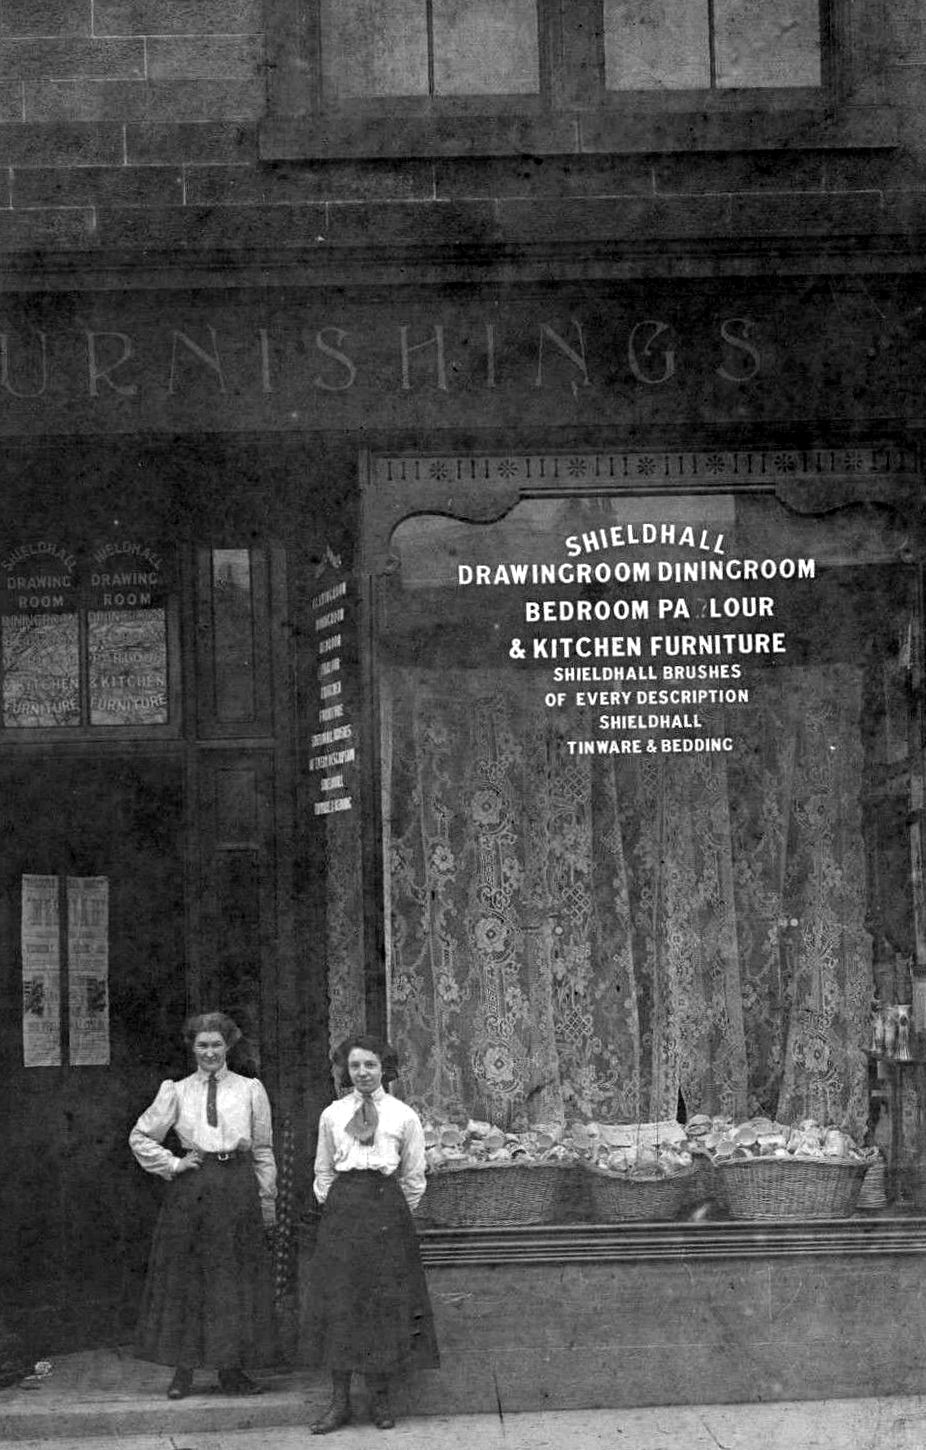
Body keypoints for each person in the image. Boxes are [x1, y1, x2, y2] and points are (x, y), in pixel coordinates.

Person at [129, 1010, 277, 1400]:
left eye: (216, 1044)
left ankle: (232, 1370)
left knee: (232, 1278)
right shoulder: (176, 1091)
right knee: (189, 1277)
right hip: (193, 1188)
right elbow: (141, 1137)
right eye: (202, 1045)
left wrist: (267, 1201)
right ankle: (184, 1372)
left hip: (236, 1187)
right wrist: (175, 1163)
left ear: (228, 1046)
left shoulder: (249, 1089)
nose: (210, 1052)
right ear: (192, 1048)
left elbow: (262, 1150)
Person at [303, 1033, 439, 1433]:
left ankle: (380, 1400)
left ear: (385, 1069)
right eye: (355, 1065)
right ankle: (339, 1402)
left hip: (386, 1213)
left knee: (382, 1304)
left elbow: (414, 1178)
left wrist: (387, 1211)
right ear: (346, 1069)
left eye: (371, 1065)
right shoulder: (332, 1115)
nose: (362, 1073)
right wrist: (342, 1208)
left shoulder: (403, 1116)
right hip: (343, 1211)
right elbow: (323, 1172)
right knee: (341, 1303)